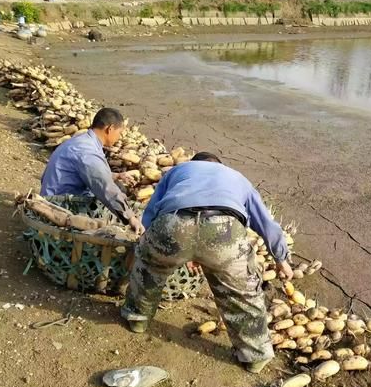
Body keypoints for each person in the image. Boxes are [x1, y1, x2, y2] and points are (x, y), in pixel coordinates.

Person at [121, 152, 293, 374]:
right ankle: (255, 356)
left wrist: (144, 245)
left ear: (194, 164)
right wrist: (281, 258)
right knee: (241, 293)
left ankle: (138, 318)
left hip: (173, 223)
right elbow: (266, 222)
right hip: (224, 229)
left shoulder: (176, 171)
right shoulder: (236, 177)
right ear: (219, 166)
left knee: (149, 268)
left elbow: (151, 211)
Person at [40, 107, 144, 235]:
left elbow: (88, 172)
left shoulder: (83, 141)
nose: (120, 137)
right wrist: (131, 218)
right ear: (110, 129)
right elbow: (105, 188)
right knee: (116, 199)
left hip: (53, 193)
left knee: (118, 189)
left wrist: (115, 175)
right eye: (119, 132)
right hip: (58, 205)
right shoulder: (87, 152)